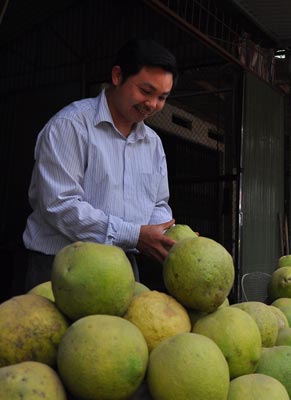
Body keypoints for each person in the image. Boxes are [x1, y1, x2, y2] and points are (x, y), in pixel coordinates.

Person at [23, 39, 179, 290]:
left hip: (123, 266)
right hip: (62, 266)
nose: (152, 105)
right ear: (117, 76)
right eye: (145, 91)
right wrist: (135, 236)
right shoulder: (70, 126)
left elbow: (158, 203)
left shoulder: (153, 143)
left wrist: (172, 236)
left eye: (162, 97)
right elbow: (59, 205)